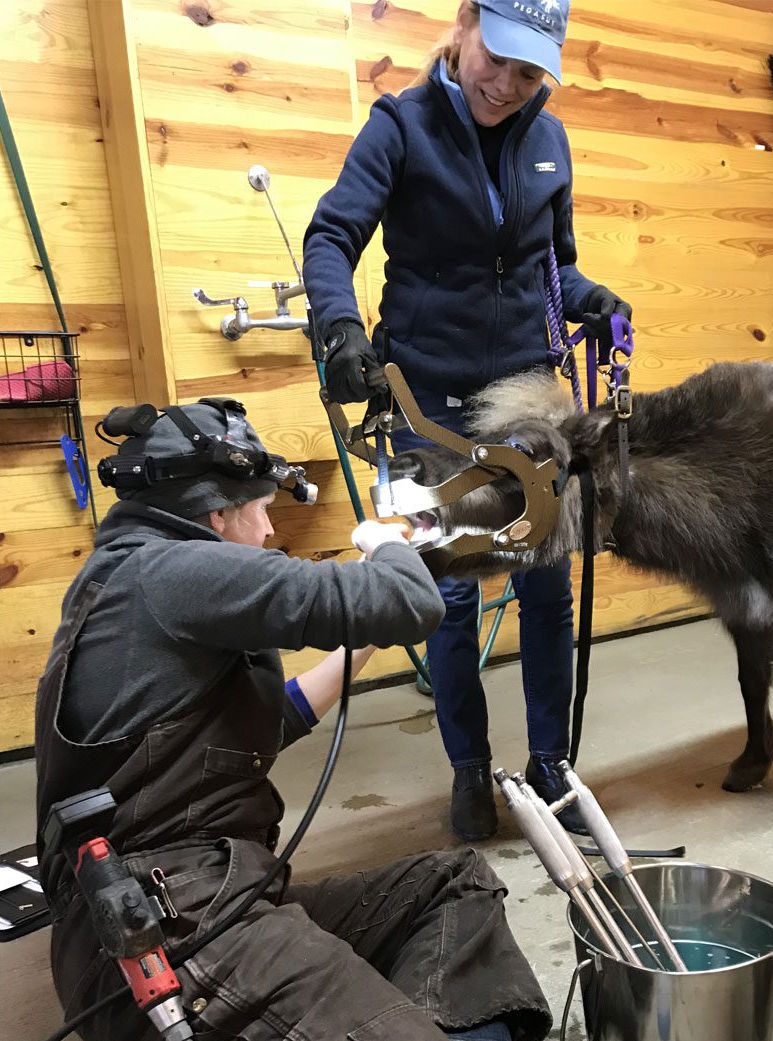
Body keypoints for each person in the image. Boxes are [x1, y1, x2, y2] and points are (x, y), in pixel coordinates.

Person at [34, 398, 552, 1041]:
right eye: (262, 509)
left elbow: (258, 725)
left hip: (202, 895)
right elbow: (408, 599)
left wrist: (364, 632)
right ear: (217, 512)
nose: (270, 530)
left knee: (452, 884)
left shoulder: (136, 572)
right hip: (167, 935)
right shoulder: (177, 571)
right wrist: (388, 541)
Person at [303, 0, 632, 842]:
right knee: (445, 596)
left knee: (543, 586)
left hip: (526, 395)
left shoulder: (549, 142)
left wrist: (591, 299)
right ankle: (468, 769)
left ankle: (553, 763)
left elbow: (554, 262)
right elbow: (332, 235)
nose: (506, 85)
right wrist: (340, 326)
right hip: (428, 401)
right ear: (463, 24)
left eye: (530, 74)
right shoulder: (400, 128)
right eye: (498, 59)